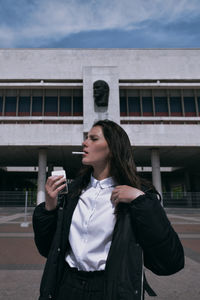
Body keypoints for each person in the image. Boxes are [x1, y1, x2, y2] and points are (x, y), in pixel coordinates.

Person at [33, 119, 184, 300]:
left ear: (112, 149)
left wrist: (140, 200)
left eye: (93, 138)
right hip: (66, 285)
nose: (84, 142)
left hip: (109, 288)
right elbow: (46, 248)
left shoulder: (137, 196)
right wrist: (50, 206)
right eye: (86, 138)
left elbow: (170, 260)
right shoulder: (72, 193)